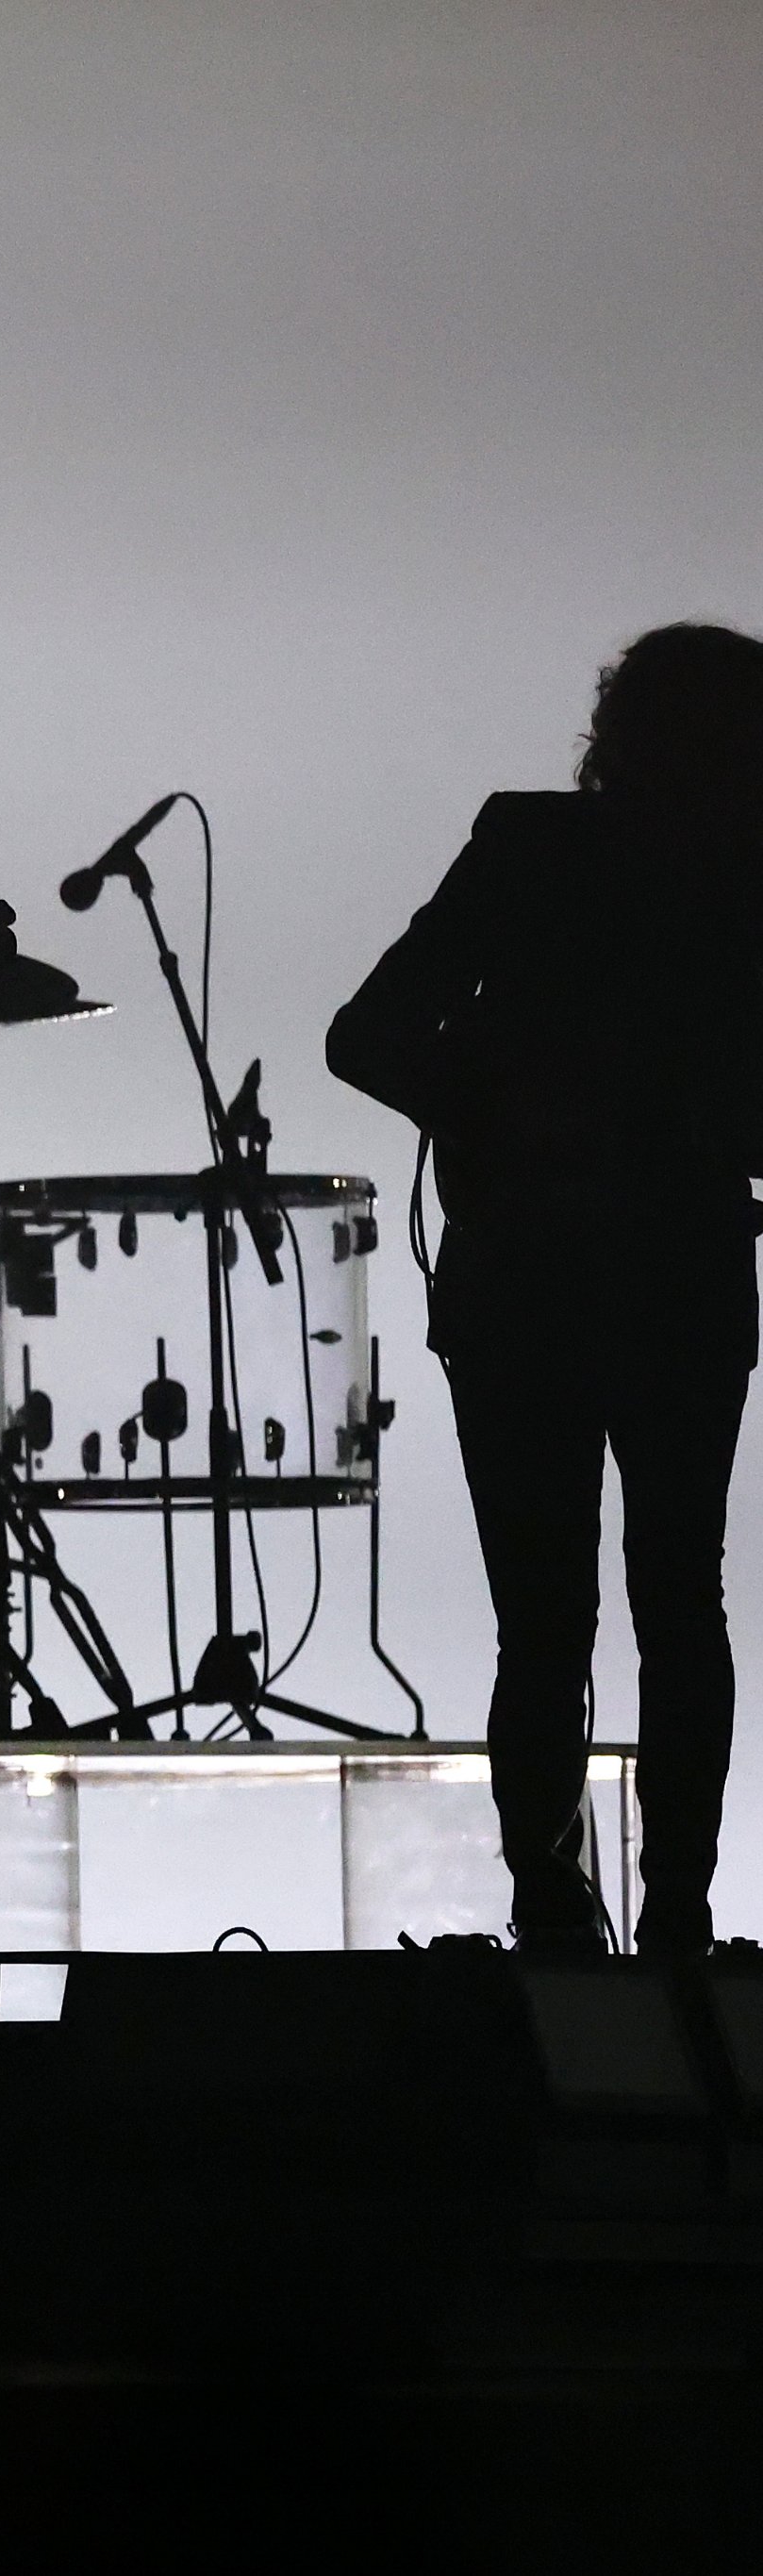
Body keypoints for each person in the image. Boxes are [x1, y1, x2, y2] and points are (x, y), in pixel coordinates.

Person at [328, 623, 763, 1956]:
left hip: (531, 1277)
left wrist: (509, 1116)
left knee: (552, 1613)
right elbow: (371, 1036)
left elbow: (370, 1034)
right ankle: (671, 1918)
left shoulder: (526, 847)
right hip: (665, 1273)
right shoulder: (723, 878)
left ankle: (554, 1910)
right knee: (675, 1592)